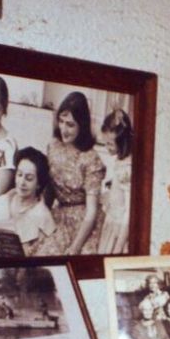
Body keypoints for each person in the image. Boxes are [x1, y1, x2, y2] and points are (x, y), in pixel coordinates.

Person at [41, 92, 106, 255]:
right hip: (59, 215)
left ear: (82, 126)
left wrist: (75, 247)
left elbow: (92, 212)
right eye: (61, 122)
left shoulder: (91, 159)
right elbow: (49, 191)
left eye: (70, 124)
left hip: (84, 223)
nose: (64, 129)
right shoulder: (53, 146)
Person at [0, 146, 56, 256]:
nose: (22, 182)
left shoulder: (43, 217)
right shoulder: (6, 199)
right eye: (19, 175)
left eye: (29, 178)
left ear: (38, 184)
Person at [98, 108, 133, 254]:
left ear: (123, 142)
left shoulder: (127, 167)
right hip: (112, 221)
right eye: (105, 143)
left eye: (110, 144)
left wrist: (119, 244)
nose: (107, 148)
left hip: (119, 228)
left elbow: (129, 210)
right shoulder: (120, 161)